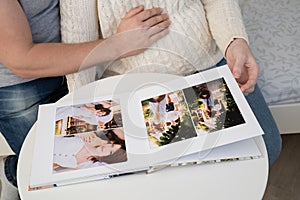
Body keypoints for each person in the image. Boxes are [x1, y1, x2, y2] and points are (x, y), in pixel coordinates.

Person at [60, 0, 281, 169]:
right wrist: (82, 103)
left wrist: (234, 42)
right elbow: (78, 37)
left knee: (266, 149)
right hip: (133, 84)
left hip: (206, 65)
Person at [0, 1, 170, 199]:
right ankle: (14, 173)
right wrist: (119, 44)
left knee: (124, 157)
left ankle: (15, 169)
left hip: (79, 55)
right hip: (25, 87)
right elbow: (21, 60)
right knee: (57, 178)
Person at [53, 130, 127, 172]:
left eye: (110, 152)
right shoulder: (89, 139)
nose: (107, 147)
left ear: (109, 157)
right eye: (111, 145)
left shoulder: (87, 165)